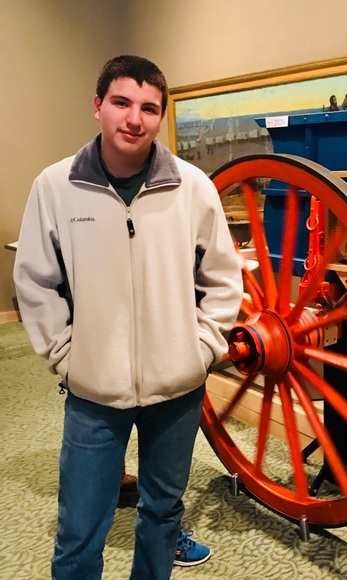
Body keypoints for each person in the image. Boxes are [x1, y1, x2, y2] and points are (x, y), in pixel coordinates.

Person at [13, 55, 243, 579]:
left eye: (149, 108)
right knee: (79, 530)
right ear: (98, 106)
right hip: (94, 394)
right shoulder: (55, 186)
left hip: (178, 392)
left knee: (163, 515)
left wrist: (202, 349)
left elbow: (223, 279)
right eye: (121, 103)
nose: (134, 119)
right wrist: (66, 356)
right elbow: (35, 280)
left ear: (160, 116)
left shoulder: (193, 187)